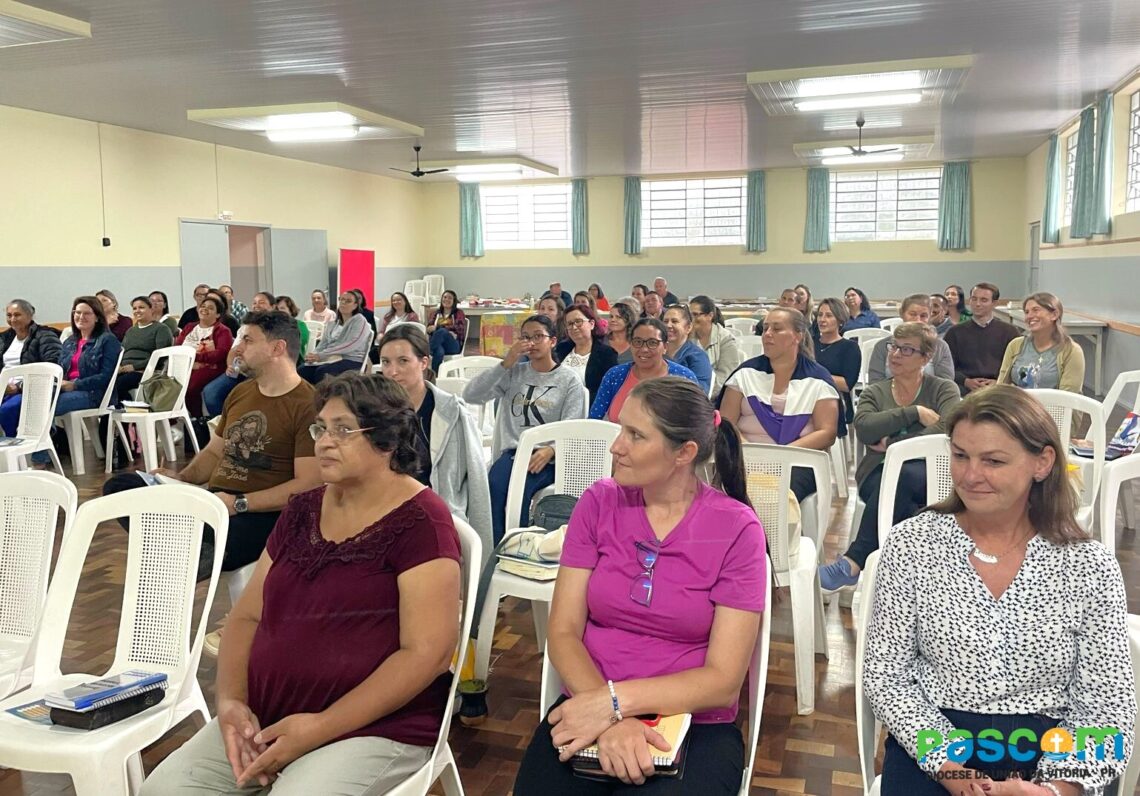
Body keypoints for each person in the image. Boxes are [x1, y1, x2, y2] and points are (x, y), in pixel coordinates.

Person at [137, 373, 460, 796]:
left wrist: (319, 728)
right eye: (320, 428)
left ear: (386, 439)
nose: (324, 441)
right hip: (269, 715)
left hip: (375, 726)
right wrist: (231, 703)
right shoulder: (303, 510)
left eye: (343, 430)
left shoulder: (421, 521)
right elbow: (247, 616)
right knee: (162, 790)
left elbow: (427, 654)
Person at [863, 386, 1134, 794]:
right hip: (936, 739)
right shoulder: (914, 544)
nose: (970, 476)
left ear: (1042, 463)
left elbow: (1106, 705)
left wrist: (1056, 788)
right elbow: (887, 676)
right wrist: (952, 770)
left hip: (1052, 745)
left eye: (993, 461)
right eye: (960, 456)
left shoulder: (1087, 565)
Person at [514, 377, 766, 795]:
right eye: (620, 428)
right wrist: (607, 712)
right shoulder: (598, 503)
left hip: (692, 721)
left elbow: (723, 680)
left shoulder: (737, 529)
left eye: (635, 435)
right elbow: (562, 632)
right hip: (587, 697)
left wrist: (614, 705)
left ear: (684, 453)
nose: (616, 446)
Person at [105, 310, 320, 574]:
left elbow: (308, 485)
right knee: (122, 486)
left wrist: (239, 502)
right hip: (215, 500)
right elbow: (215, 451)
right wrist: (181, 478)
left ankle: (181, 550)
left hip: (260, 513)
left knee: (196, 538)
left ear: (277, 348)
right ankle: (185, 543)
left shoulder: (308, 404)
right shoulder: (241, 392)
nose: (238, 348)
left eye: (248, 341)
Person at [818, 323, 960, 594]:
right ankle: (918, 581)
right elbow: (865, 428)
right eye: (894, 347)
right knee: (902, 487)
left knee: (905, 475)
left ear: (926, 358)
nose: (895, 354)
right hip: (877, 474)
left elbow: (951, 426)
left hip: (933, 473)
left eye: (907, 349)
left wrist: (894, 444)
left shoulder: (943, 389)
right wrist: (914, 413)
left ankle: (854, 562)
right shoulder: (876, 391)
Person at [463, 315, 587, 543]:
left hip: (548, 458)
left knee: (517, 492)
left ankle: (515, 546)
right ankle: (494, 549)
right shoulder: (514, 373)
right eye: (526, 337)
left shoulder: (569, 380)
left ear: (552, 341)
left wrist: (551, 450)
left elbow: (574, 426)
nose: (532, 342)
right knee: (493, 488)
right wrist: (505, 363)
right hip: (514, 454)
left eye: (539, 336)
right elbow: (471, 395)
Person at [378, 325, 492, 555]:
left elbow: (477, 480)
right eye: (386, 362)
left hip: (438, 517)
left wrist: (482, 551)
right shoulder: (373, 413)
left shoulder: (451, 413)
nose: (392, 371)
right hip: (383, 514)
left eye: (402, 361)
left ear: (424, 362)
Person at [717, 307, 841, 503]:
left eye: (776, 329)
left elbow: (827, 433)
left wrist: (780, 456)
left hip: (796, 459)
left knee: (774, 496)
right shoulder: (745, 374)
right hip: (745, 455)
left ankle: (778, 534)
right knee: (726, 491)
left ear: (797, 336)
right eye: (765, 328)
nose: (767, 334)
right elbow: (726, 422)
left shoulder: (819, 380)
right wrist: (749, 451)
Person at [1, 296, 121, 466]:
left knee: (40, 407)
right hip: (64, 390)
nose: (81, 317)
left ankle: (39, 460)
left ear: (97, 317)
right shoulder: (71, 341)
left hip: (94, 393)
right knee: (33, 401)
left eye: (87, 313)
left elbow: (107, 377)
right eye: (77, 313)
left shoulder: (107, 340)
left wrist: (75, 384)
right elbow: (59, 369)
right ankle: (32, 453)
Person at [590, 319, 700, 422]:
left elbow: (696, 423)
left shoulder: (683, 377)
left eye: (652, 343)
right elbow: (594, 420)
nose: (644, 349)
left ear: (665, 347)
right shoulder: (615, 375)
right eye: (638, 342)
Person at [201, 293, 276, 419]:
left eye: (261, 302)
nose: (257, 306)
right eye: (254, 303)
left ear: (273, 307)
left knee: (244, 395)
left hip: (259, 371)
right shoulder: (245, 327)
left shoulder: (276, 327)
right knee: (210, 392)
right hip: (238, 369)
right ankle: (224, 426)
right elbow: (233, 351)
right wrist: (230, 365)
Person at [998, 292, 1085, 392]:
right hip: (1018, 405)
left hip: (1052, 407)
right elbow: (1001, 386)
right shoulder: (1015, 345)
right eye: (1027, 312)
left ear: (1054, 315)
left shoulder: (1071, 351)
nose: (1029, 316)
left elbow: (1068, 397)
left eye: (1036, 310)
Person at [944, 282, 1020, 395]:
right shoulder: (954, 333)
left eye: (984, 300)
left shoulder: (1010, 332)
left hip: (999, 389)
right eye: (974, 299)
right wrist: (966, 381)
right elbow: (947, 366)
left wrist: (999, 382)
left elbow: (1016, 365)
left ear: (994, 303)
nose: (977, 304)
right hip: (964, 389)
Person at [867, 294, 955, 383]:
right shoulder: (882, 346)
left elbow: (946, 383)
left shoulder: (940, 346)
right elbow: (875, 382)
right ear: (902, 314)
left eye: (923, 316)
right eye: (912, 314)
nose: (917, 320)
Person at [176, 296, 235, 417]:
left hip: (212, 367)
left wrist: (195, 356)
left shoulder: (223, 331)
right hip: (186, 366)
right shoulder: (189, 327)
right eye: (203, 306)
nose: (205, 309)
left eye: (210, 308)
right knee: (172, 386)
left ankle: (198, 420)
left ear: (218, 314)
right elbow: (177, 347)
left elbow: (221, 353)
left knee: (191, 387)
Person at [113, 295, 175, 405]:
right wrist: (119, 367)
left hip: (146, 372)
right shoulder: (130, 331)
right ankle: (115, 418)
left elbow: (161, 357)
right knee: (104, 384)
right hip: (124, 370)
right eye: (134, 308)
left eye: (141, 307)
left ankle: (128, 415)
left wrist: (134, 367)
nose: (137, 311)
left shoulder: (161, 329)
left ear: (151, 309)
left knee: (118, 385)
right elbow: (122, 352)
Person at [300, 291, 373, 384]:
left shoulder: (359, 320)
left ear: (355, 305)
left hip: (352, 360)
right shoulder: (333, 323)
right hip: (331, 358)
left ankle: (324, 398)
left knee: (323, 372)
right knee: (303, 370)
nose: (343, 303)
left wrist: (321, 355)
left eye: (348, 301)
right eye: (341, 299)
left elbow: (351, 344)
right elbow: (323, 343)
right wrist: (313, 355)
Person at [554, 304, 618, 405]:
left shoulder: (607, 354)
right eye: (569, 324)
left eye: (578, 322)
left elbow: (608, 392)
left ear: (591, 324)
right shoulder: (561, 349)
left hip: (589, 408)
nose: (574, 327)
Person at [813, 298, 861, 423]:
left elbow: (846, 384)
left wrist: (813, 373)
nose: (822, 320)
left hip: (835, 402)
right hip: (806, 398)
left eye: (829, 316)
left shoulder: (850, 347)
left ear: (840, 320)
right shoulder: (809, 343)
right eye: (820, 315)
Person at [1, 299, 62, 397]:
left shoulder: (45, 336)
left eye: (17, 315)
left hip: (27, 391)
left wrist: (19, 386)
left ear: (30, 316)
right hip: (3, 388)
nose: (12, 319)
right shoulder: (4, 338)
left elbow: (53, 366)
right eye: (9, 315)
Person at [689, 295, 743, 394]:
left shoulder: (726, 340)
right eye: (689, 315)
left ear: (710, 316)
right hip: (690, 391)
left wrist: (702, 392)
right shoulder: (687, 337)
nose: (691, 319)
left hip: (714, 395)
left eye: (695, 314)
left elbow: (726, 377)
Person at [662, 304, 712, 395]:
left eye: (674, 321)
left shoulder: (698, 356)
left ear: (688, 328)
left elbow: (700, 393)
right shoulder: (657, 353)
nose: (668, 325)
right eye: (665, 321)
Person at [426, 290, 468, 371]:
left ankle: (426, 352)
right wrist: (448, 330)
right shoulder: (436, 313)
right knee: (439, 352)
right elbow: (429, 329)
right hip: (438, 343)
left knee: (442, 331)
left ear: (454, 301)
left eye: (450, 298)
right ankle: (435, 376)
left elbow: (459, 329)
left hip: (453, 345)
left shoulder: (458, 313)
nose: (446, 300)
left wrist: (438, 328)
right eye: (445, 297)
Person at [273, 294, 310, 365]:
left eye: (282, 308)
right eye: (276, 309)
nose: (279, 311)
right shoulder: (272, 325)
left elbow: (301, 342)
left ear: (290, 310)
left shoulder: (300, 324)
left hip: (294, 361)